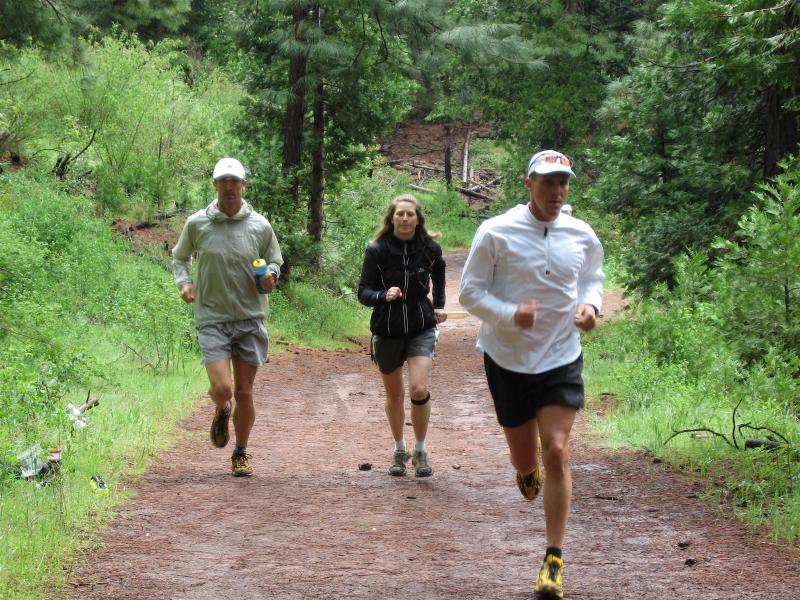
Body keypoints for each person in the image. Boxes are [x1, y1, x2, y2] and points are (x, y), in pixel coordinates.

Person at [459, 150, 603, 599]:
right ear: (528, 184)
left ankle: (553, 562)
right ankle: (526, 471)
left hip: (561, 355)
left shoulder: (580, 232)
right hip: (507, 358)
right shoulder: (496, 232)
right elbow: (469, 293)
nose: (557, 192)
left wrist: (591, 306)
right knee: (527, 461)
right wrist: (507, 314)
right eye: (548, 183)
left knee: (556, 450)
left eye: (563, 183)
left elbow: (592, 277)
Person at [172, 157, 283, 477]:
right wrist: (185, 283)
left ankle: (241, 452)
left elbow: (275, 260)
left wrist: (271, 276)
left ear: (244, 185)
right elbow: (179, 258)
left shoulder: (260, 225)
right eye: (223, 181)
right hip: (212, 317)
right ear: (215, 185)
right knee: (223, 389)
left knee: (245, 391)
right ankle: (222, 409)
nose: (229, 187)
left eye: (235, 181)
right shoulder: (197, 223)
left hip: (250, 317)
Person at [358, 194, 447, 478]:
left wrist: (440, 305)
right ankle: (400, 449)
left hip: (421, 325)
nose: (405, 219)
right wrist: (384, 295)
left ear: (418, 219)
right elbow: (363, 292)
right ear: (392, 218)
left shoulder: (430, 249)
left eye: (410, 214)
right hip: (387, 329)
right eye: (400, 214)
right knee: (394, 393)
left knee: (419, 389)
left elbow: (441, 274)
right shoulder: (377, 250)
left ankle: (421, 450)